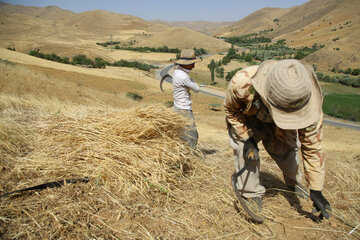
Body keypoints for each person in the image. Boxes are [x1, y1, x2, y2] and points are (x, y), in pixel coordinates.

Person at [224, 59, 331, 219]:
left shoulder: (308, 104)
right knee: (246, 152)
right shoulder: (242, 84)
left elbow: (312, 147)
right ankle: (250, 192)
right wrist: (247, 139)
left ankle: (293, 184)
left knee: (287, 149)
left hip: (280, 127)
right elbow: (231, 112)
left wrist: (316, 189)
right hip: (249, 118)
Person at [172, 49, 202, 149]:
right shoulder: (184, 77)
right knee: (192, 134)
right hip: (183, 108)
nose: (194, 66)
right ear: (186, 64)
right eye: (192, 63)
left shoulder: (177, 72)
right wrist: (192, 81)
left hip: (177, 105)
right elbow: (197, 89)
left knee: (181, 132)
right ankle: (190, 157)